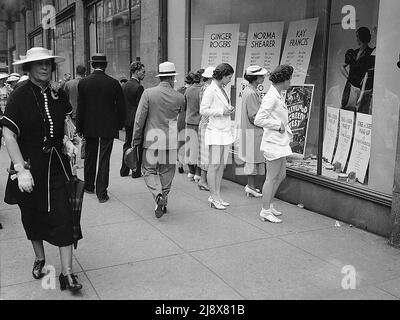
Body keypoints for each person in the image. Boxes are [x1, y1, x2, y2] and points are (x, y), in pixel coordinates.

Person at [0, 47, 82, 291]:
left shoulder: (58, 93)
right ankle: (40, 258)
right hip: (30, 166)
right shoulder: (19, 96)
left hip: (58, 165)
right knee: (32, 216)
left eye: (48, 63)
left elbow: (64, 124)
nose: (45, 67)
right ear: (29, 68)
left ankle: (67, 274)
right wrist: (19, 168)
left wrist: (67, 142)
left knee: (65, 216)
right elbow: (9, 134)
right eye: (39, 64)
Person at [132, 61, 185, 218]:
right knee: (167, 172)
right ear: (172, 77)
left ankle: (158, 196)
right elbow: (181, 122)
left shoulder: (148, 93)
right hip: (170, 141)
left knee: (148, 170)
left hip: (152, 139)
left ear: (160, 77)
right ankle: (164, 200)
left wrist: (136, 139)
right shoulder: (180, 97)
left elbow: (139, 118)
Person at [76, 53, 125, 203]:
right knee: (104, 159)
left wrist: (79, 127)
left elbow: (81, 108)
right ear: (105, 65)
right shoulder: (113, 83)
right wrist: (120, 124)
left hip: (89, 126)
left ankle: (89, 185)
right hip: (108, 126)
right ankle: (101, 192)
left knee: (90, 157)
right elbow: (121, 107)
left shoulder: (83, 83)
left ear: (92, 65)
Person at [254, 64, 294, 223]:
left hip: (280, 142)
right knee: (271, 178)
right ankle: (265, 210)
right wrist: (278, 125)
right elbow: (259, 119)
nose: (290, 82)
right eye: (289, 78)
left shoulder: (276, 94)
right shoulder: (272, 96)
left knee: (281, 175)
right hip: (274, 143)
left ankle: (268, 205)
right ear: (284, 80)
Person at [200, 63, 235, 210]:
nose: (229, 80)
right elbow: (203, 110)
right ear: (222, 76)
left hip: (224, 130)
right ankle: (213, 197)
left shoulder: (221, 88)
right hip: (215, 131)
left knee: (221, 166)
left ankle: (217, 196)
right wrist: (222, 111)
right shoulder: (210, 89)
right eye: (229, 77)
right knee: (214, 165)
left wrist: (227, 110)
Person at [238, 65, 268, 198]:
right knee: (253, 160)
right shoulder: (251, 93)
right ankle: (251, 186)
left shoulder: (249, 90)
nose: (263, 77)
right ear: (254, 78)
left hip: (250, 131)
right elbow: (254, 116)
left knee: (252, 159)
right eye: (261, 76)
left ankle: (251, 186)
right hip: (254, 132)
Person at [120, 61, 145, 178]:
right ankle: (135, 171)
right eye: (143, 72)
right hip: (135, 120)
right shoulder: (139, 87)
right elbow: (141, 108)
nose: (144, 74)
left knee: (127, 144)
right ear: (136, 71)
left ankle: (124, 170)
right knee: (136, 145)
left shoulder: (124, 86)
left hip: (126, 120)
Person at [340, 27, 374, 113]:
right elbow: (342, 67)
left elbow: (370, 72)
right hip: (351, 87)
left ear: (361, 37)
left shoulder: (371, 53)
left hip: (364, 89)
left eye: (357, 37)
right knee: (347, 110)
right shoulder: (353, 53)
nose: (356, 39)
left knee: (361, 111)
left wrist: (363, 82)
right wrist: (349, 77)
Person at [197, 66, 215, 191]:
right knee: (206, 153)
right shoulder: (209, 89)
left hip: (203, 123)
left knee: (204, 152)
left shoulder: (203, 88)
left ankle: (202, 178)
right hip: (207, 124)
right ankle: (203, 180)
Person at [184, 68, 204, 183]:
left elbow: (185, 106)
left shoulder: (189, 90)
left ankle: (191, 171)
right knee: (199, 148)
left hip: (188, 121)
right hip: (198, 122)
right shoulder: (203, 90)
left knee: (189, 147)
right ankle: (198, 172)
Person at [177, 72, 195, 174]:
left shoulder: (179, 90)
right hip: (189, 117)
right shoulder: (192, 91)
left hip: (181, 117)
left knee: (181, 141)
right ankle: (191, 166)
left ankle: (180, 164)